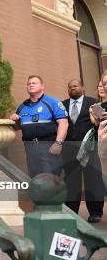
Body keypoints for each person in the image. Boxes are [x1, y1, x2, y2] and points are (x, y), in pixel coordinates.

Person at [61, 79, 103, 223]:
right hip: (69, 151)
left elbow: (102, 121)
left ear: (82, 88)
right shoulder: (62, 105)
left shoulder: (94, 103)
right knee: (71, 181)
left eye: (75, 86)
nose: (72, 88)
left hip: (89, 149)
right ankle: (71, 213)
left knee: (93, 180)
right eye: (70, 86)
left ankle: (95, 213)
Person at [10, 75, 68, 177]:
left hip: (48, 147)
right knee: (36, 181)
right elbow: (16, 128)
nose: (31, 85)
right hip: (30, 149)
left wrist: (58, 143)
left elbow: (64, 123)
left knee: (50, 181)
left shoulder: (53, 102)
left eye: (34, 83)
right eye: (29, 83)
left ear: (42, 86)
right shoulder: (22, 107)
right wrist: (13, 120)